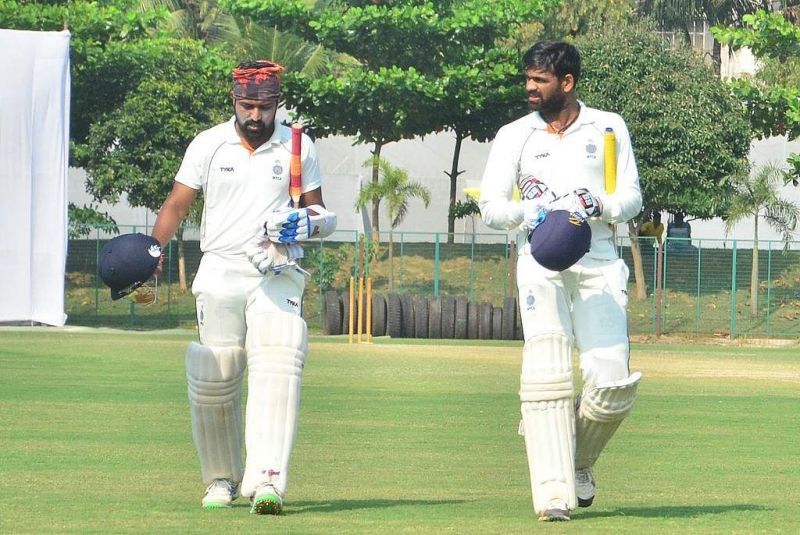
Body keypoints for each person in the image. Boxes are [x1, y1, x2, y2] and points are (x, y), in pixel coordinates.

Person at [150, 60, 337, 515]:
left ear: (278, 104)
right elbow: (177, 203)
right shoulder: (208, 144)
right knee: (215, 374)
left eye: (265, 107)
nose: (256, 116)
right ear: (234, 101)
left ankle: (268, 477)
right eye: (247, 105)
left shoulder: (298, 145)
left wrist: (303, 224)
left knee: (277, 359)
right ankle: (220, 478)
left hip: (275, 268)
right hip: (219, 266)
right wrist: (154, 251)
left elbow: (320, 214)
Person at [478, 41, 643, 521]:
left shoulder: (608, 127)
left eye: (540, 80)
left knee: (611, 383)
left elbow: (630, 197)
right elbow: (490, 208)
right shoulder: (514, 136)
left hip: (600, 259)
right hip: (539, 259)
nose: (530, 88)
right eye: (527, 79)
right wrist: (531, 211)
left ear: (566, 83)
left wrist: (600, 203)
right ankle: (552, 494)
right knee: (548, 372)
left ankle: (578, 460)